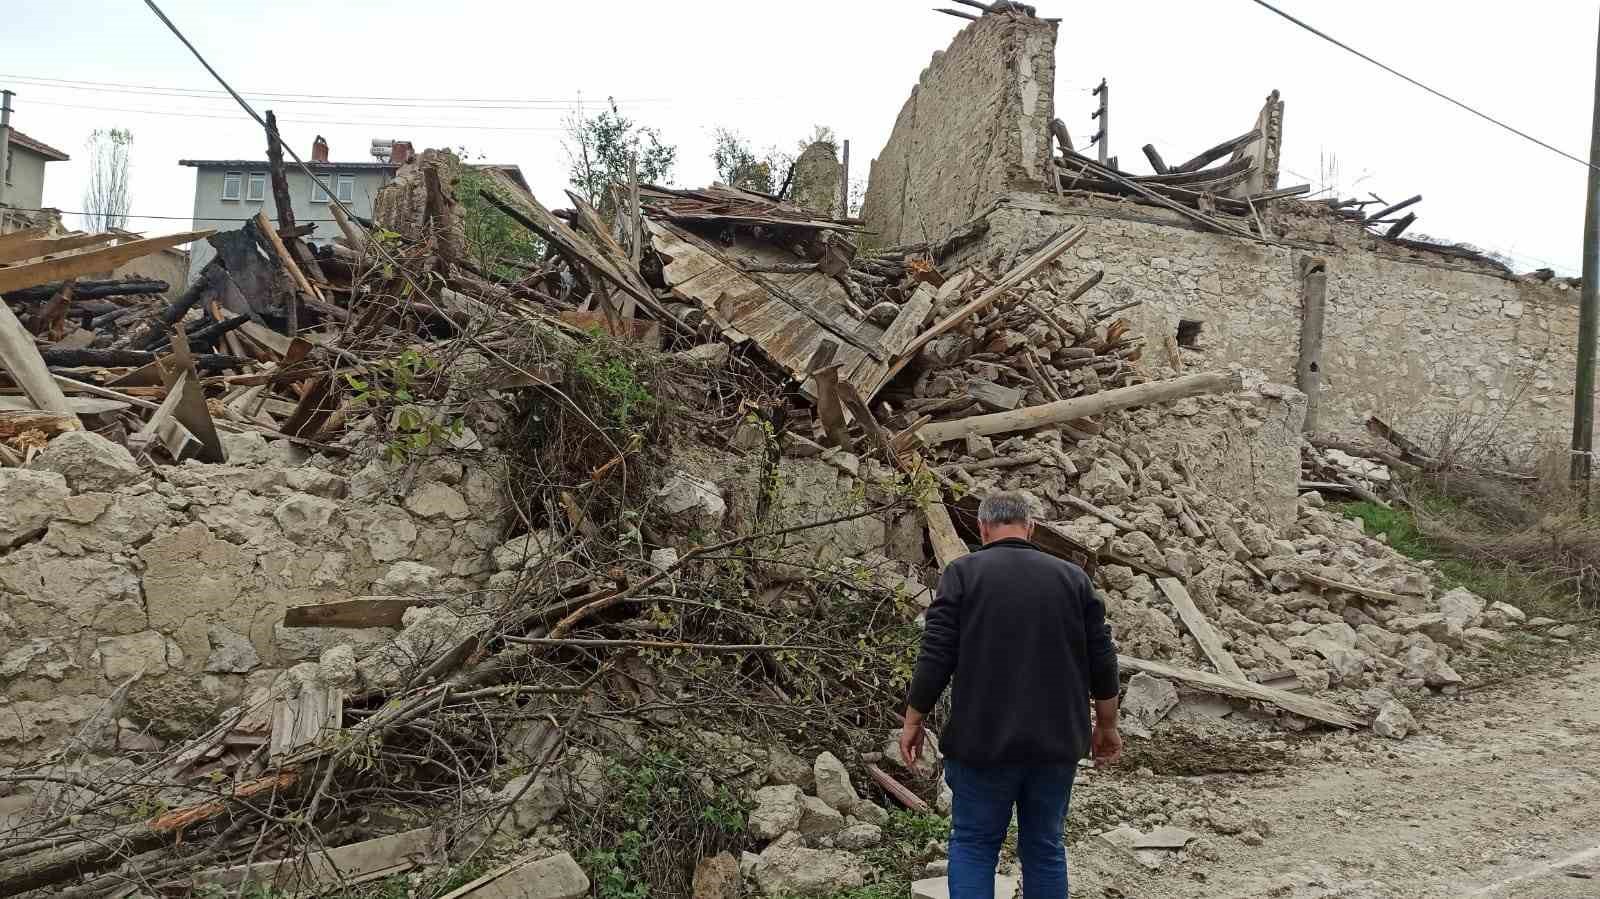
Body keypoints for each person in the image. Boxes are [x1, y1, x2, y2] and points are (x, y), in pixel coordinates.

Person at [900, 490, 1121, 899]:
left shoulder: (963, 574)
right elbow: (1103, 659)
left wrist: (914, 719)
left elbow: (936, 654)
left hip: (981, 743)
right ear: (1031, 527)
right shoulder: (1073, 579)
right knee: (1044, 848)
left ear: (983, 528)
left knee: (974, 844)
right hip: (1055, 744)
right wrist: (1106, 725)